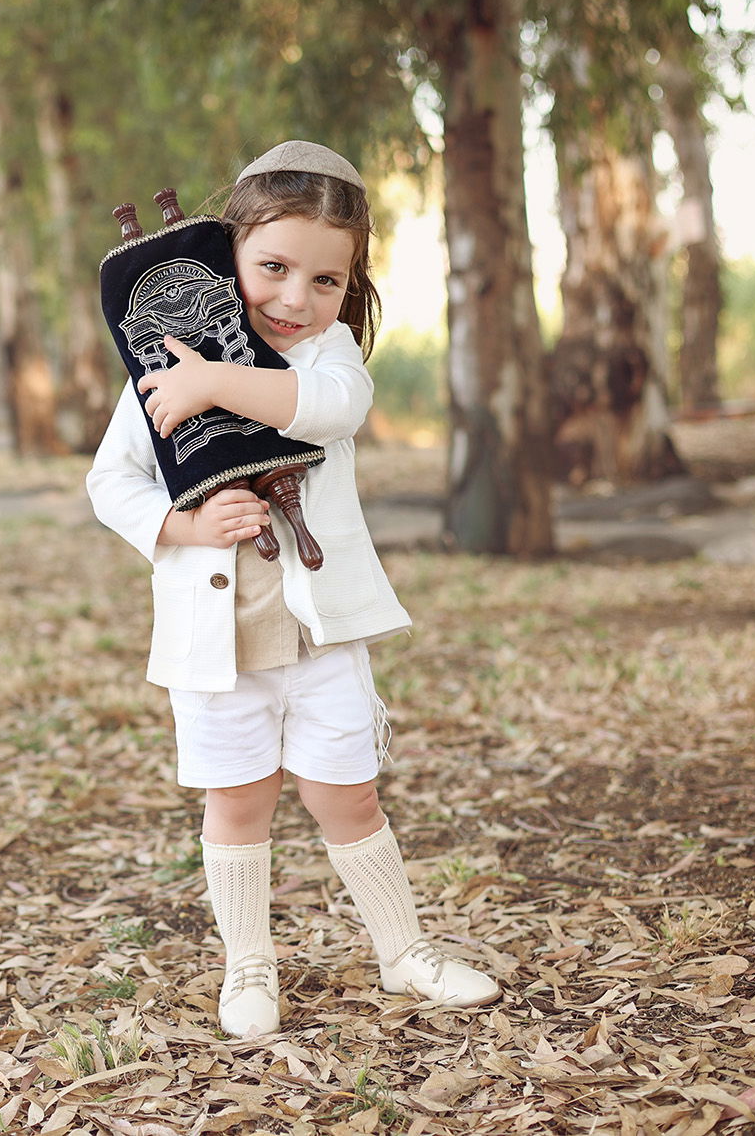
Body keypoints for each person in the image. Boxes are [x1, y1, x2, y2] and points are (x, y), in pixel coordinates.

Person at [85, 140, 501, 1039]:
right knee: (239, 801)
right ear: (226, 251)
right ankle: (250, 966)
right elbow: (110, 482)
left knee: (345, 792)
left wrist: (214, 382)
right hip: (221, 635)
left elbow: (329, 411)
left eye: (325, 280)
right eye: (272, 267)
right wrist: (184, 526)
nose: (294, 298)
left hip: (319, 631)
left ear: (349, 288)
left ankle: (402, 951)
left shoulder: (329, 356)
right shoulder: (161, 355)